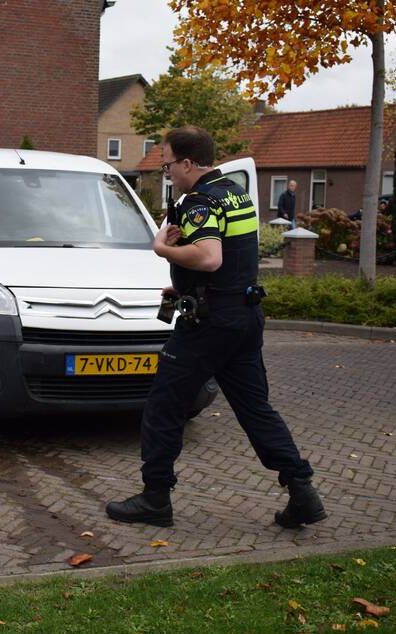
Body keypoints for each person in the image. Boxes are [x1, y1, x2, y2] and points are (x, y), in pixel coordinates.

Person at [105, 126, 326, 529]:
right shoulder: (235, 192)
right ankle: (301, 490)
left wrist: (163, 249)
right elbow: (232, 254)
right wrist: (186, 284)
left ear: (188, 163)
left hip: (208, 324)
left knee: (163, 406)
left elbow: (209, 258)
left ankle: (155, 498)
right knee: (255, 408)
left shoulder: (199, 201)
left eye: (168, 164)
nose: (167, 172)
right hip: (243, 316)